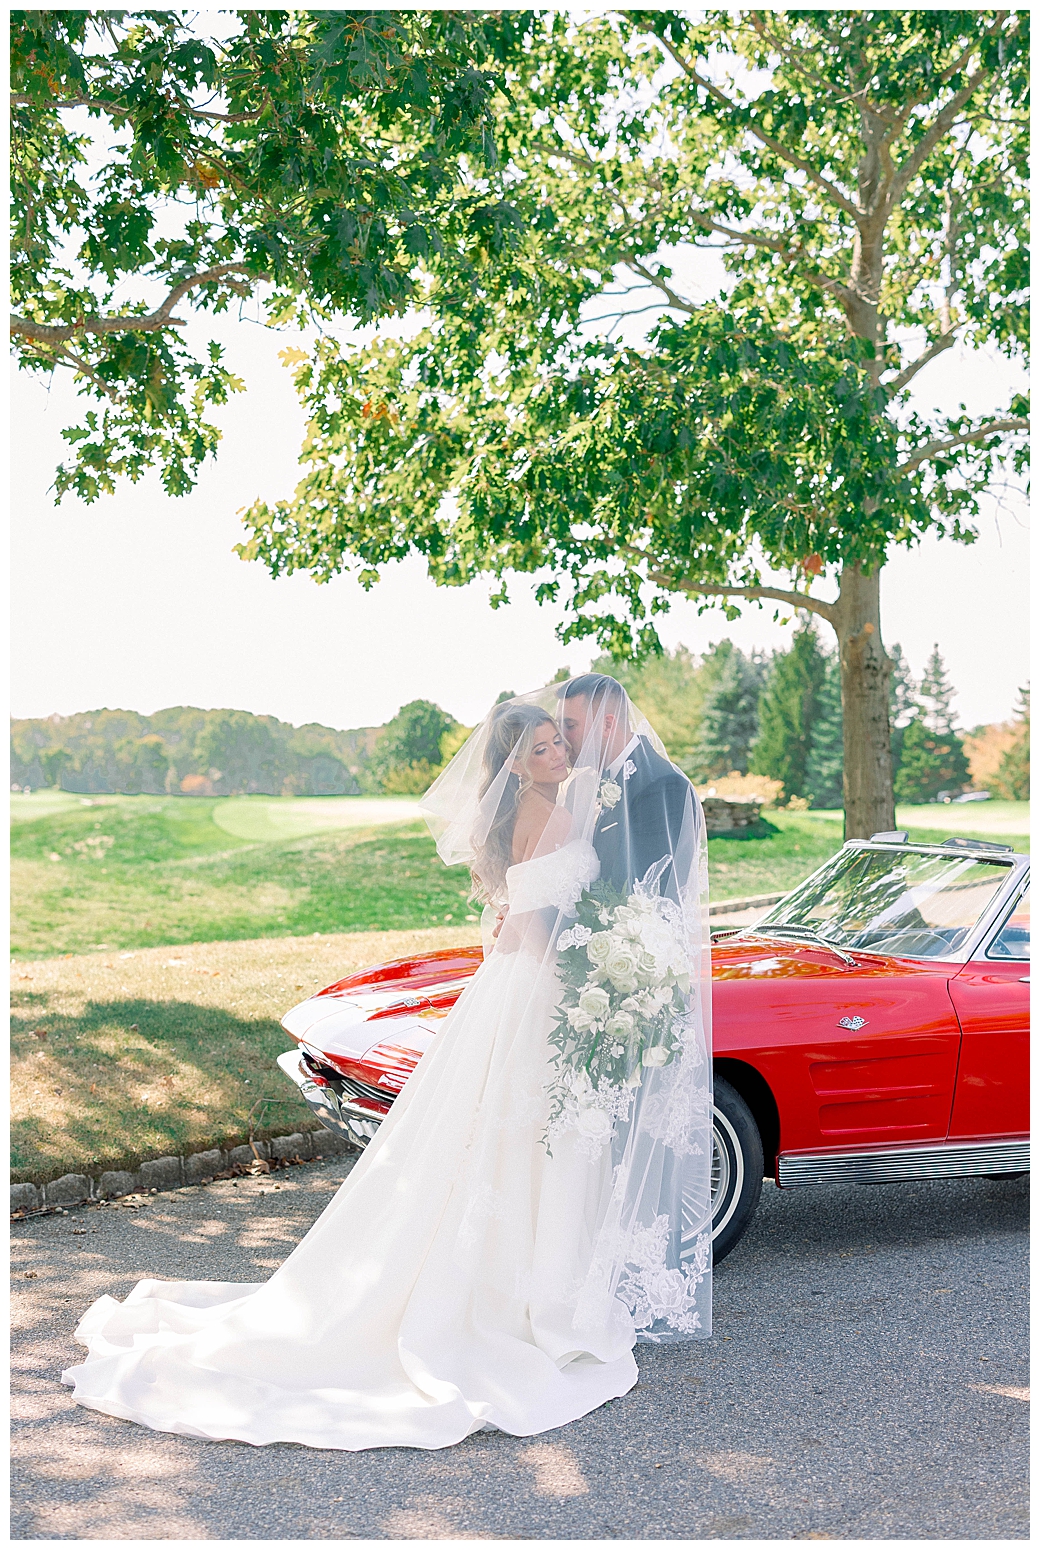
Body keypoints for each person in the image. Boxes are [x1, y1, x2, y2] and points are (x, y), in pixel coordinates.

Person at [61, 683, 711, 1452]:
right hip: (542, 988)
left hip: (525, 985)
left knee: (511, 1141)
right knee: (531, 1139)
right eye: (543, 743)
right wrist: (575, 977)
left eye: (562, 736)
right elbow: (543, 915)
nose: (561, 749)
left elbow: (581, 894)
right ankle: (524, 1298)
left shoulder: (572, 798)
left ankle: (535, 1286)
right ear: (514, 762)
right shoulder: (556, 807)